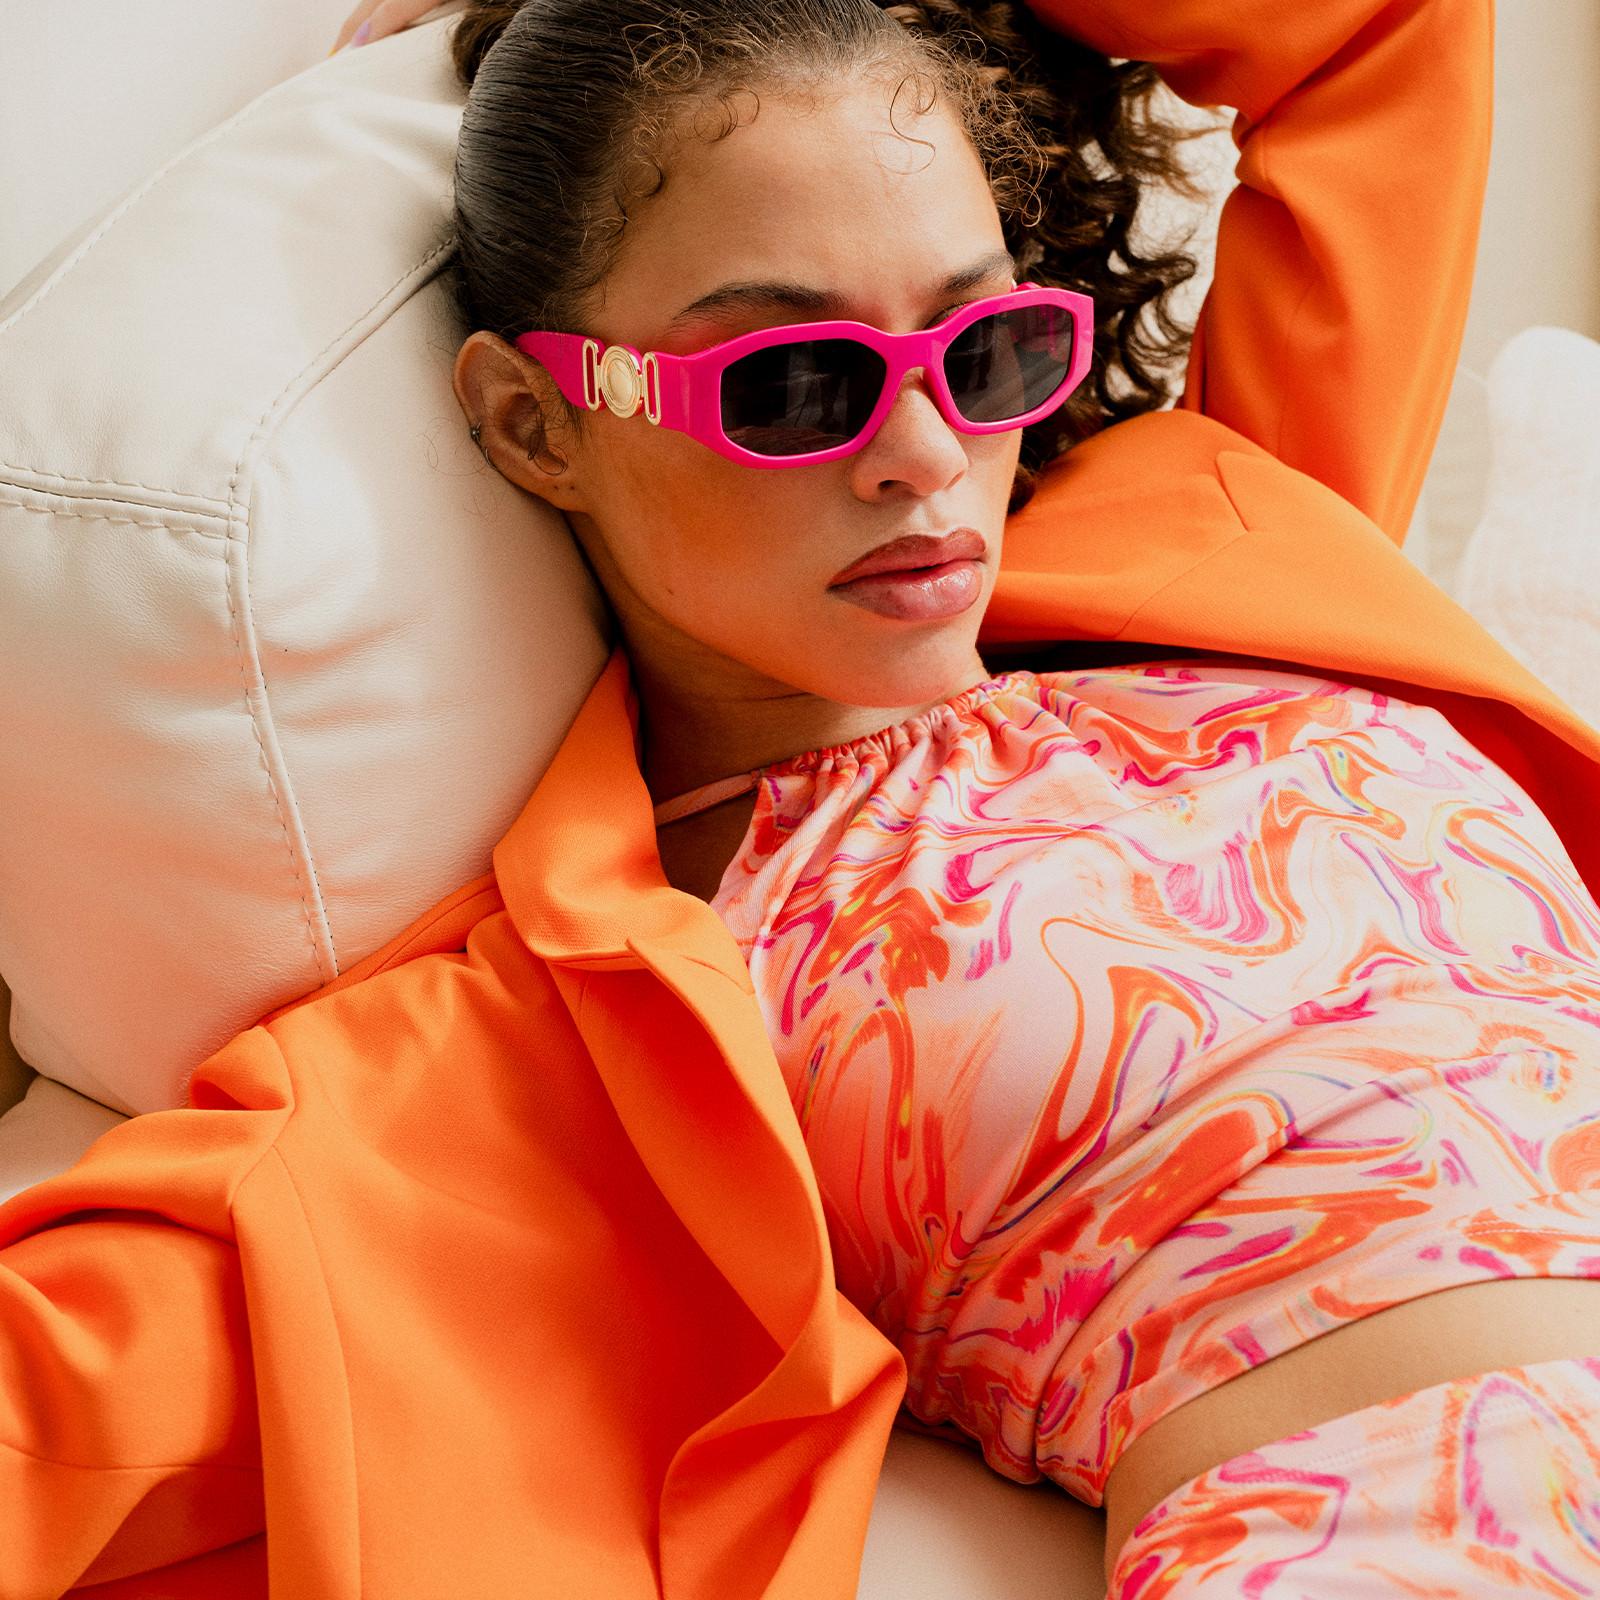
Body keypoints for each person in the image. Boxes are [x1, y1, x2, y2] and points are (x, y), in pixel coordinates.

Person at [7, 1, 1600, 1596]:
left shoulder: (1220, 541)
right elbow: (81, 1387)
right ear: (532, 422)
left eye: (988, 351)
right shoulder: (606, 990)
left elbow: (1381, 34)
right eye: (790, 387)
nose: (923, 452)